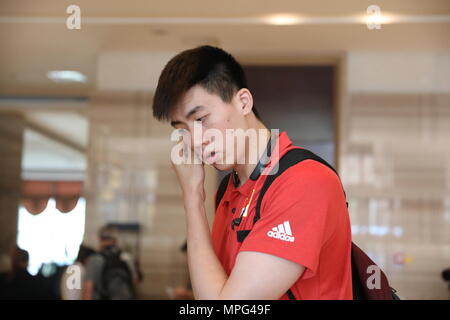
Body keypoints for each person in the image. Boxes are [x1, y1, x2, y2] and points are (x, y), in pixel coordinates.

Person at [152, 45, 353, 299]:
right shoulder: (231, 188)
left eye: (201, 119)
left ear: (243, 102)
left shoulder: (306, 181)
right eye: (182, 129)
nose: (195, 141)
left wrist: (192, 197)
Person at [83, 226, 137, 300]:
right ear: (115, 240)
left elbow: (88, 288)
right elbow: (134, 281)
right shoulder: (127, 257)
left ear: (100, 239)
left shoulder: (95, 259)